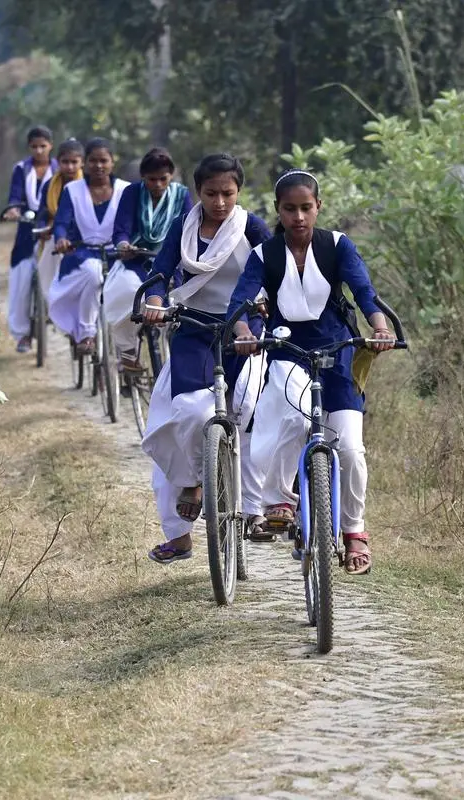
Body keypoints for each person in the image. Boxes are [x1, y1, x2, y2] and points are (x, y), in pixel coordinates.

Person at [228, 169, 396, 576]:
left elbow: (364, 293)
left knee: (351, 450)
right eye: (290, 209)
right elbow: (241, 302)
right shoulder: (264, 255)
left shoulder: (337, 246)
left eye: (306, 208)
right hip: (287, 350)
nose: (299, 217)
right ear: (278, 211)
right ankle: (282, 500)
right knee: (286, 416)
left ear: (318, 207)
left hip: (338, 354)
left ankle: (354, 532)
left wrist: (379, 327)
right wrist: (245, 332)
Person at [138, 153, 272, 565]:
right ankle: (194, 486)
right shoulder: (184, 226)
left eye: (227, 193)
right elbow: (160, 273)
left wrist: (268, 314)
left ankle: (258, 509)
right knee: (185, 413)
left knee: (253, 415)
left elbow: (277, 271)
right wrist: (156, 303)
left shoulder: (252, 227)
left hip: (245, 331)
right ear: (198, 192)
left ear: (239, 192)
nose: (219, 202)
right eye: (211, 193)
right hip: (193, 329)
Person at [106, 147, 193, 371]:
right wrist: (124, 245)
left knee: (184, 306)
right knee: (125, 293)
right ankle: (127, 351)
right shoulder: (132, 193)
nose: (157, 184)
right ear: (143, 177)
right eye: (151, 179)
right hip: (136, 260)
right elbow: (121, 229)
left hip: (172, 263)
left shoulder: (181, 195)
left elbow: (191, 229)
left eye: (163, 179)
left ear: (171, 176)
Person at [49, 137, 130, 353]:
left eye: (104, 160)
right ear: (85, 163)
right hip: (82, 253)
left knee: (131, 287)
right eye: (93, 161)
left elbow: (134, 223)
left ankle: (129, 349)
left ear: (113, 162)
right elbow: (62, 222)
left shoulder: (126, 190)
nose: (99, 166)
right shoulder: (72, 190)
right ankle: (86, 334)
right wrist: (61, 239)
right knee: (93, 273)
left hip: (119, 254)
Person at [0, 127, 58, 353]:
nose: (39, 150)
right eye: (34, 146)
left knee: (59, 274)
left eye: (43, 146)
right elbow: (15, 195)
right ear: (29, 147)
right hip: (26, 229)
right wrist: (13, 209)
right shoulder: (21, 169)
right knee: (21, 280)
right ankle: (22, 334)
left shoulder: (59, 169)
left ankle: (58, 316)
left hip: (53, 228)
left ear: (50, 146)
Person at [34, 138, 84, 317]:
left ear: (81, 163)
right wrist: (43, 229)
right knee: (47, 259)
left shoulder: (87, 184)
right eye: (65, 162)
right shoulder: (50, 185)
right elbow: (42, 212)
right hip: (55, 234)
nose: (70, 167)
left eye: (74, 162)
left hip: (83, 235)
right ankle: (52, 302)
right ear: (58, 162)